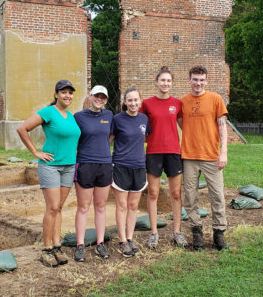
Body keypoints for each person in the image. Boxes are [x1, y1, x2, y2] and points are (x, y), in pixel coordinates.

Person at [17, 79, 81, 267]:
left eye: (70, 92)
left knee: (59, 207)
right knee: (52, 207)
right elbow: (22, 128)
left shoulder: (70, 115)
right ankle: (46, 249)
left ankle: (57, 245)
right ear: (56, 95)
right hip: (51, 166)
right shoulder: (48, 112)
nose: (67, 95)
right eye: (63, 92)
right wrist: (35, 152)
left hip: (69, 166)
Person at [140, 66, 188, 249]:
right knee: (153, 194)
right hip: (153, 152)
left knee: (175, 194)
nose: (165, 83)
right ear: (156, 82)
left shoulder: (177, 104)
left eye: (168, 81)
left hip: (174, 152)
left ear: (172, 83)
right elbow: (140, 128)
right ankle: (154, 232)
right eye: (162, 80)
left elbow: (186, 128)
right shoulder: (147, 103)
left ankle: (177, 232)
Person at [181, 65, 228, 251]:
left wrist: (223, 152)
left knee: (217, 195)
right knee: (190, 196)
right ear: (189, 80)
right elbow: (180, 122)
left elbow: (222, 127)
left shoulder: (216, 99)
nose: (198, 83)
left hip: (211, 156)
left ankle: (219, 232)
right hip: (189, 156)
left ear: (206, 81)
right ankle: (196, 231)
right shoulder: (183, 101)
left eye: (202, 80)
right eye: (195, 79)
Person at [73, 85, 113, 262]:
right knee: (83, 207)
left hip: (104, 164)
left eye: (103, 97)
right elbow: (72, 137)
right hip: (85, 164)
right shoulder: (79, 117)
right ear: (90, 97)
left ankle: (100, 242)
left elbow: (110, 136)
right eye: (97, 96)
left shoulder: (109, 115)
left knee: (101, 206)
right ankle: (80, 245)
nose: (100, 99)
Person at [110, 88, 150, 257]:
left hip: (140, 167)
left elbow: (145, 139)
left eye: (136, 100)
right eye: (130, 100)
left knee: (133, 206)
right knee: (122, 206)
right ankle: (122, 241)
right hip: (120, 166)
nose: (133, 103)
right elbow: (108, 140)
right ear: (124, 102)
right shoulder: (117, 119)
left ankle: (130, 238)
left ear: (140, 101)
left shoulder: (144, 119)